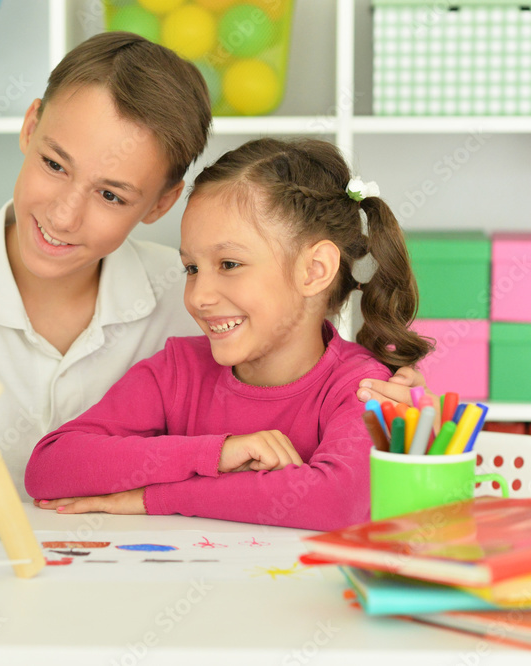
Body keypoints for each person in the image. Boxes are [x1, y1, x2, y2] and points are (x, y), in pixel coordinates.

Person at [0, 34, 423, 508]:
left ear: (163, 203)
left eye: (111, 195)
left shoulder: (195, 301)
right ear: (30, 126)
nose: (66, 214)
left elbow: (312, 404)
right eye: (54, 164)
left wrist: (394, 394)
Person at [25, 138, 432, 531]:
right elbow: (50, 468)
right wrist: (218, 452)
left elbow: (336, 500)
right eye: (192, 268)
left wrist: (156, 498)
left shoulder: (362, 388)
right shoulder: (177, 371)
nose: (199, 296)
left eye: (230, 264)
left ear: (314, 270)